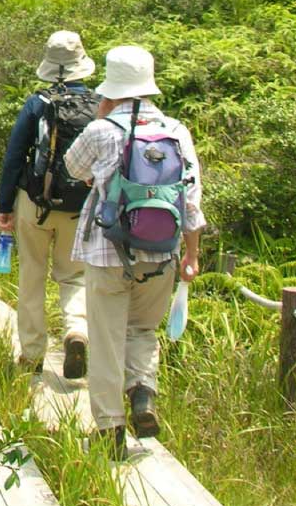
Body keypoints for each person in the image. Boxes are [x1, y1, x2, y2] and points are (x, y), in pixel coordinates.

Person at [65, 45, 203, 460]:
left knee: (106, 340)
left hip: (108, 252)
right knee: (142, 331)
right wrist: (191, 256)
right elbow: (191, 201)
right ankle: (142, 393)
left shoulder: (102, 130)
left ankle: (110, 429)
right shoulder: (177, 131)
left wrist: (99, 119)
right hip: (162, 252)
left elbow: (74, 169)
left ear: (112, 86)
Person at [0, 31, 97, 380]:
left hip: (35, 202)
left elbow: (14, 156)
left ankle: (32, 354)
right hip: (80, 206)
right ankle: (76, 330)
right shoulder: (98, 104)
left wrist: (5, 203)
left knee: (33, 276)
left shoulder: (37, 103)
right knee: (74, 275)